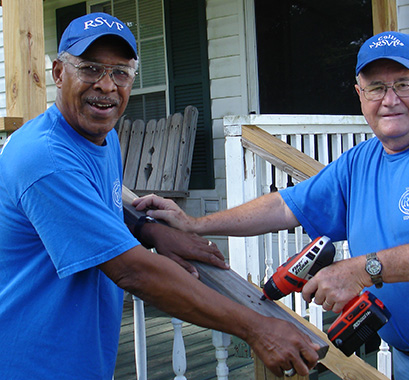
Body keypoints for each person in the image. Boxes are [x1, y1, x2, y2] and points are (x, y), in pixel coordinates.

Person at [134, 31, 409, 379]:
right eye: (376, 87)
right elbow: (284, 206)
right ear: (360, 94)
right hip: (408, 364)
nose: (390, 99)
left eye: (403, 83)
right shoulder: (359, 162)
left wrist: (362, 269)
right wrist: (196, 224)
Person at [0, 13, 320, 379]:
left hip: (81, 358)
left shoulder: (103, 139)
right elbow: (132, 270)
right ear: (58, 73)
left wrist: (149, 228)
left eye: (121, 72)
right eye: (90, 69)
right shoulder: (45, 157)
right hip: (30, 361)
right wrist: (257, 327)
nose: (106, 86)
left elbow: (101, 205)